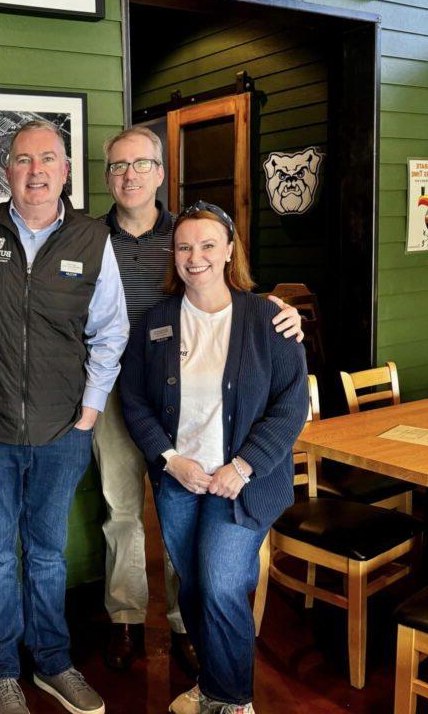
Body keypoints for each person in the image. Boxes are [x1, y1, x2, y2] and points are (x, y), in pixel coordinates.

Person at [95, 126, 302, 672]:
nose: (130, 175)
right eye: (118, 166)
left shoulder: (187, 233)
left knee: (212, 571)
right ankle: (129, 621)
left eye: (141, 164)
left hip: (218, 429)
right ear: (107, 176)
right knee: (126, 514)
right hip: (124, 397)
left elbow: (288, 396)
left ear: (160, 173)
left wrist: (284, 315)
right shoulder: (89, 239)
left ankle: (199, 637)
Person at [0, 120, 128, 714]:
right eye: (23, 160)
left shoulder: (90, 239)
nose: (35, 171)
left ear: (66, 170)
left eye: (47, 158)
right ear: (7, 171)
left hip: (61, 430)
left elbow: (110, 330)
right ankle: (2, 672)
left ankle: (53, 663)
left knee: (48, 553)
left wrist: (91, 408)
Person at [120, 202, 309, 714]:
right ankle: (211, 685)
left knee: (223, 581)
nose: (195, 256)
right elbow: (134, 399)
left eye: (207, 245)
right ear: (174, 256)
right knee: (196, 585)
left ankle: (234, 699)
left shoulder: (269, 318)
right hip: (181, 480)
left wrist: (242, 466)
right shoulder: (157, 322)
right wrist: (169, 459)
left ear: (229, 250)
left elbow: (292, 405)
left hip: (243, 483)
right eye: (184, 247)